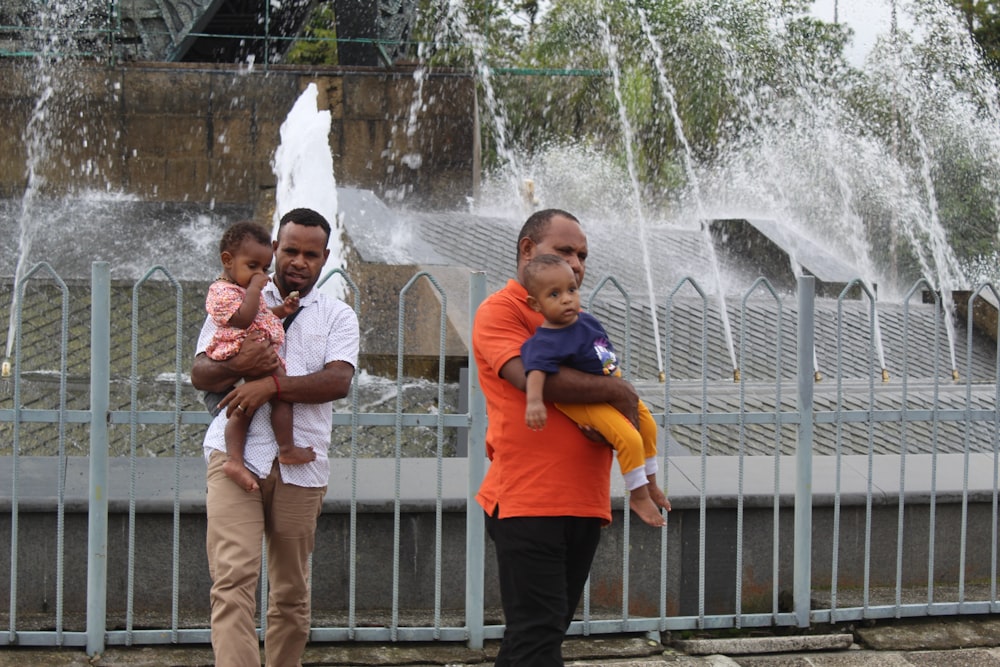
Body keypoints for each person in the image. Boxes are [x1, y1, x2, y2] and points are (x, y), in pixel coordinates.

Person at [472, 208, 669, 666]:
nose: (577, 263)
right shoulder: (500, 311)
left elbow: (603, 376)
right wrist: (620, 390)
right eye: (565, 251)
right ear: (527, 250)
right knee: (538, 636)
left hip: (584, 500)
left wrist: (616, 402)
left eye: (582, 255)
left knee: (539, 635)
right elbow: (533, 379)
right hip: (528, 499)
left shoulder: (574, 316)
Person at [191, 207, 359, 667]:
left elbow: (337, 381)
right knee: (232, 582)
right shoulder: (235, 298)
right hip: (235, 456)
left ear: (325, 257)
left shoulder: (338, 316)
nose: (298, 262)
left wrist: (272, 385)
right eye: (290, 251)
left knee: (290, 591)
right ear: (275, 250)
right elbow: (200, 371)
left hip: (299, 465)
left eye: (310, 254)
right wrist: (239, 367)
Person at [520, 253, 669, 528]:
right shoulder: (545, 340)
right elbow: (536, 371)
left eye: (571, 290)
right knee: (629, 437)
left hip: (609, 384)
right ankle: (637, 495)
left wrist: (616, 379)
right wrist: (534, 401)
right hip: (585, 401)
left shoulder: (584, 320)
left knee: (648, 428)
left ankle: (650, 483)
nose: (567, 299)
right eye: (554, 295)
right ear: (535, 304)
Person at [204, 220, 313, 493]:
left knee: (246, 409)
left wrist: (283, 310)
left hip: (256, 348)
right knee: (281, 393)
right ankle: (285, 448)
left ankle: (235, 460)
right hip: (246, 350)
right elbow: (243, 319)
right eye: (252, 267)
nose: (260, 274)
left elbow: (261, 316)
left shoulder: (242, 290)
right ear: (227, 260)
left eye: (264, 268)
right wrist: (255, 288)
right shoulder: (222, 292)